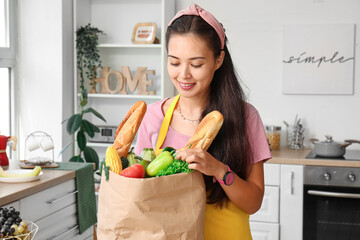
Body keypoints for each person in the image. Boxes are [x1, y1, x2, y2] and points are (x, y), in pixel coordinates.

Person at [134, 4, 271, 239]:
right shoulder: (153, 116)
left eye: (196, 64)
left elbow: (253, 203)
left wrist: (218, 169)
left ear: (218, 60)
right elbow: (140, 194)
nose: (183, 74)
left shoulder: (245, 117)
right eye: (175, 62)